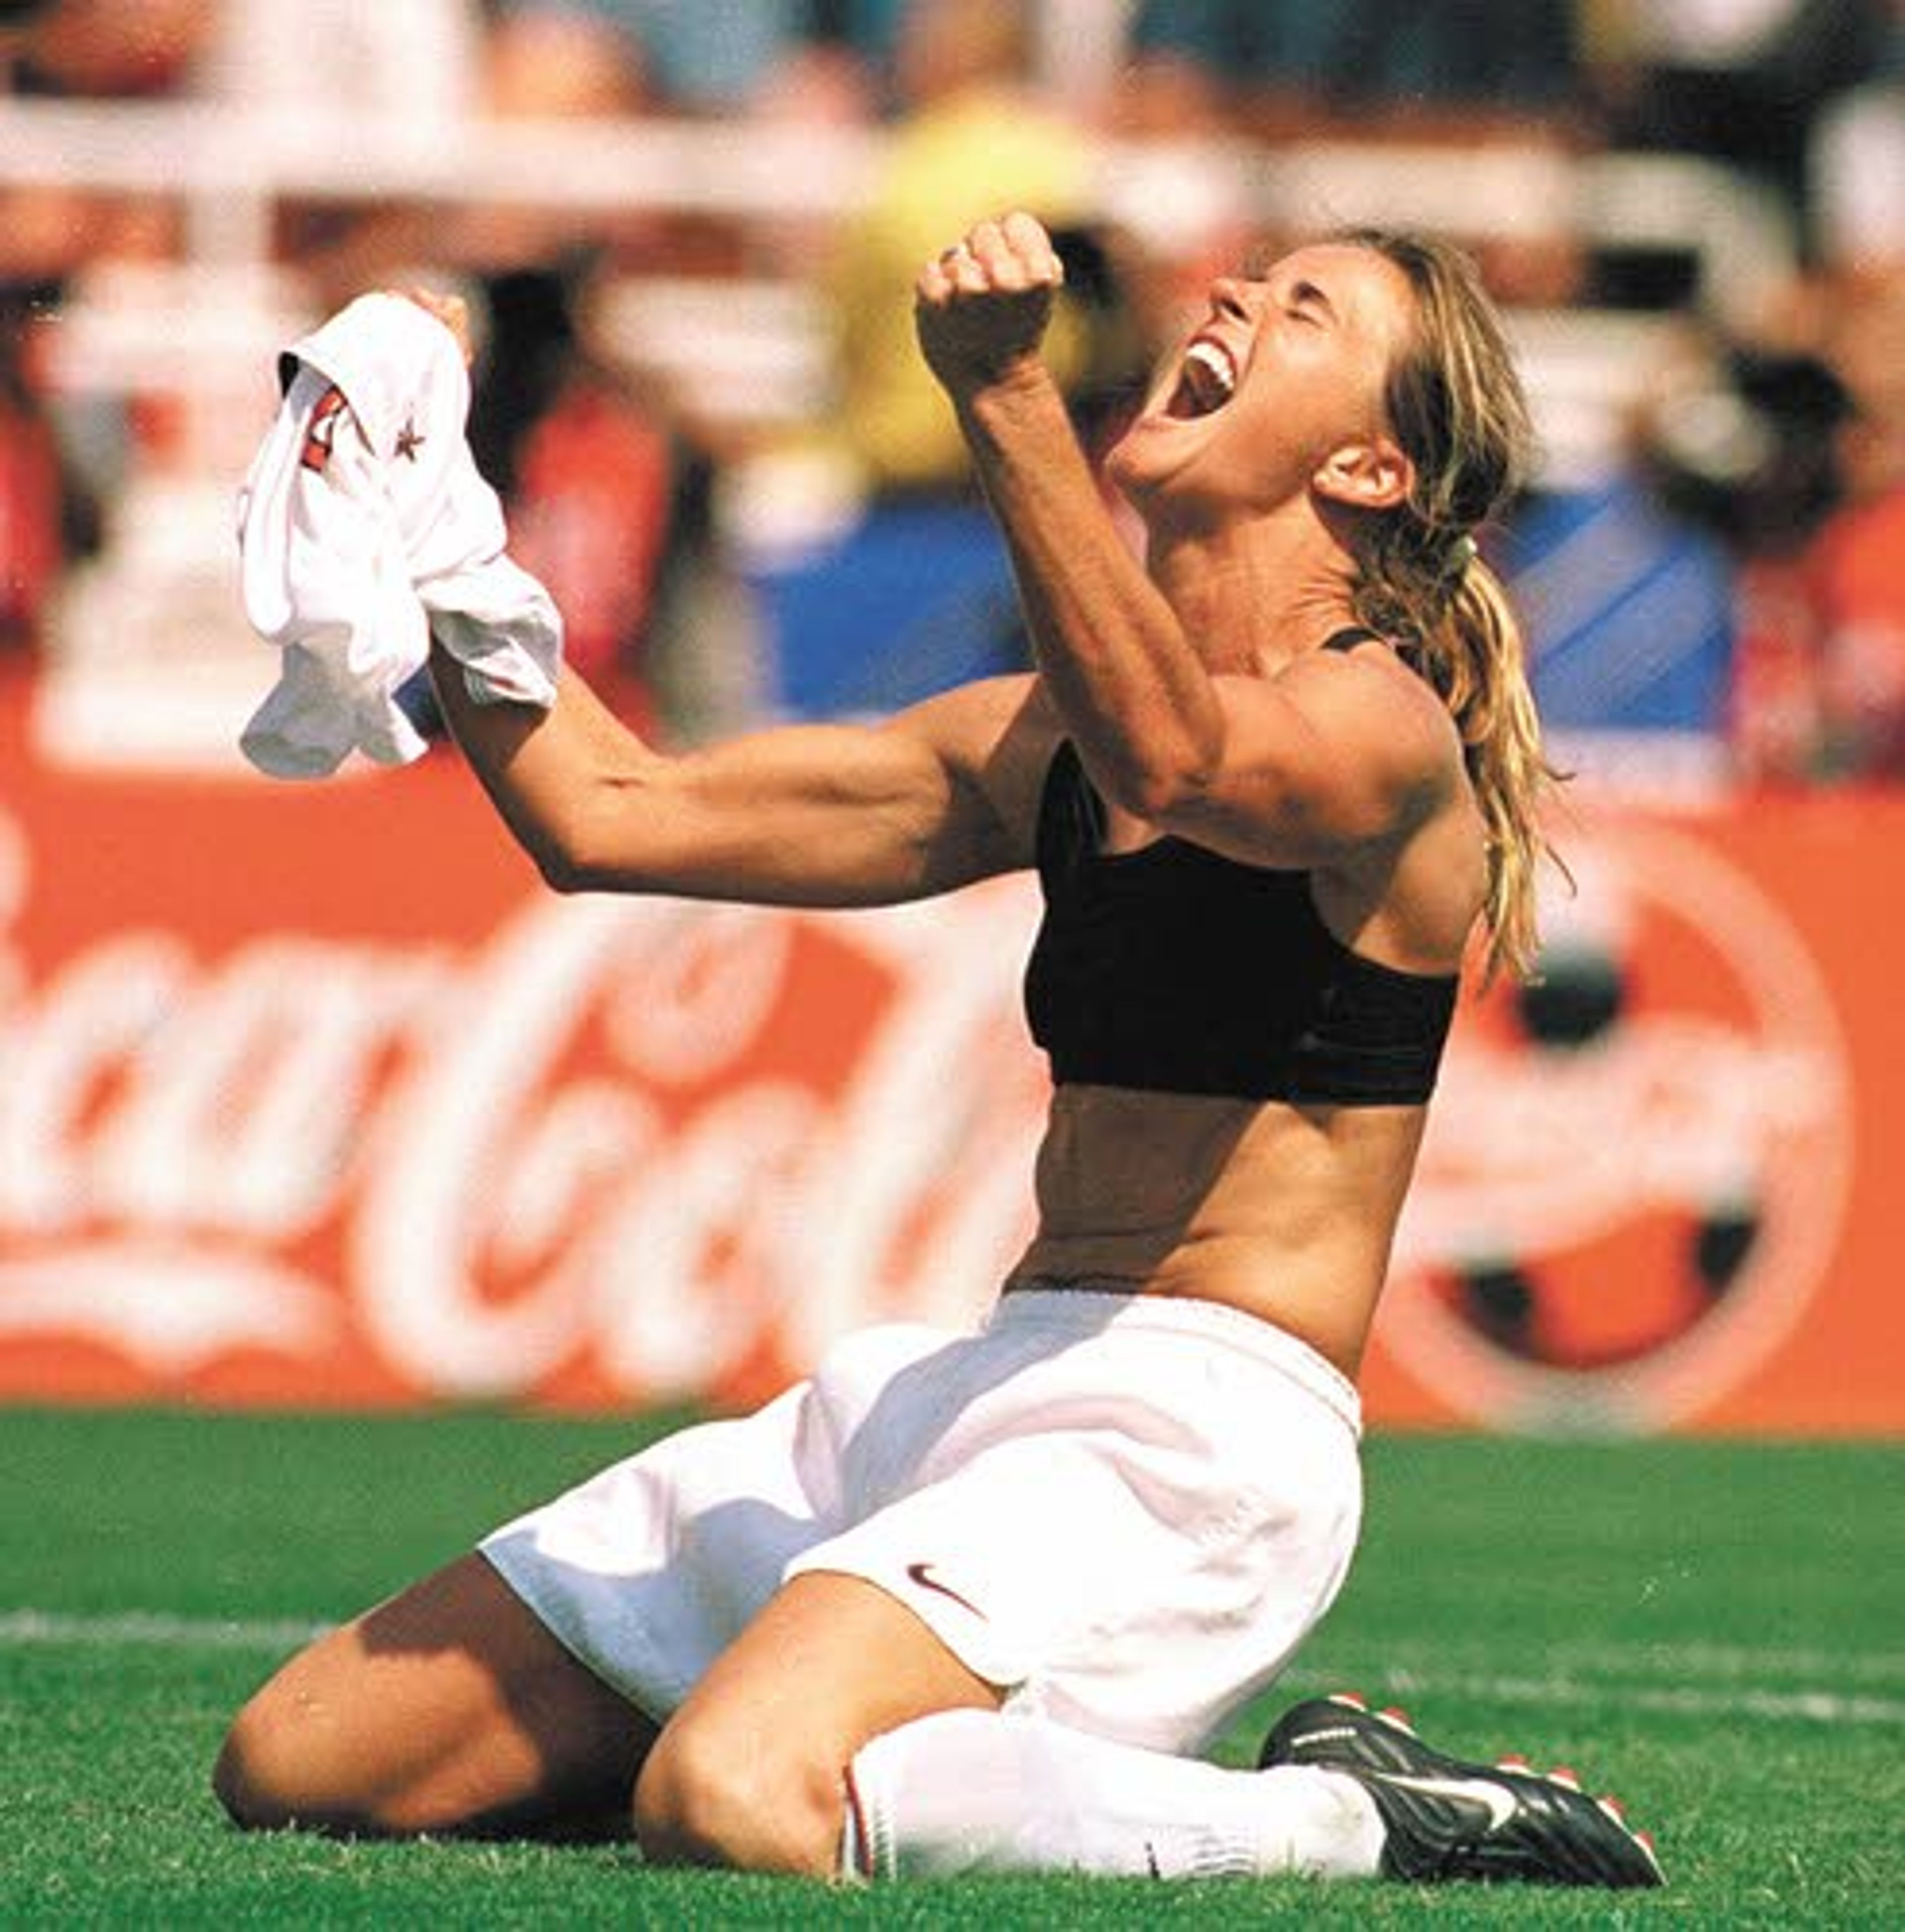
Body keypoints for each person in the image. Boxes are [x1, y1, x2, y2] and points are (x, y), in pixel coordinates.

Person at [211, 212, 1663, 1890]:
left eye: (1305, 310)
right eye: (1249, 282)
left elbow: (1181, 760)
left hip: (1187, 1448)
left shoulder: (1383, 725)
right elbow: (610, 814)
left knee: (739, 1798)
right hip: (974, 1382)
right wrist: (449, 541)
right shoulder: (1044, 734)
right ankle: (914, 1763)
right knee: (308, 1760)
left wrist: (1007, 399)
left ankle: (1347, 1820)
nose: (1236, 302)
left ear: (1370, 469)